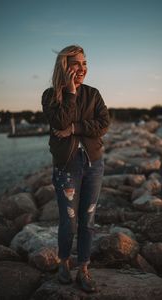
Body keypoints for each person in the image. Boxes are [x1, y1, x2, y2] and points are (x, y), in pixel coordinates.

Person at [42, 45, 110, 293]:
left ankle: (83, 268)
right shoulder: (50, 96)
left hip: (94, 164)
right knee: (68, 221)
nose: (82, 68)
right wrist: (70, 93)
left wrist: (74, 129)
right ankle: (64, 262)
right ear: (64, 67)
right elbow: (59, 120)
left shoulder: (94, 93)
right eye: (76, 64)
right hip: (67, 166)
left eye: (85, 63)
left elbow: (104, 123)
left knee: (88, 219)